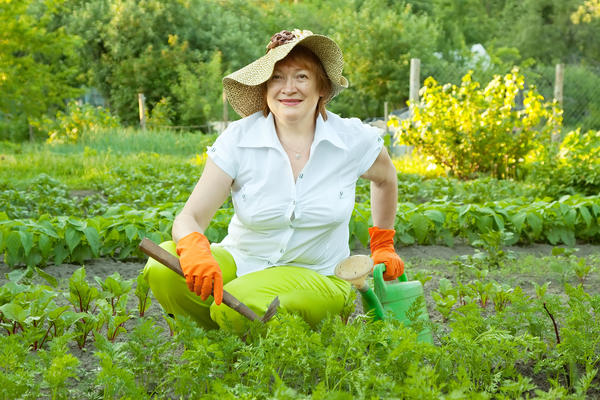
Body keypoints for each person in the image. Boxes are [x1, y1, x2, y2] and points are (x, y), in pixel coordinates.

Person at [143, 29, 404, 333]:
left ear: (322, 86)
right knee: (164, 269)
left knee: (245, 300)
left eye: (302, 77)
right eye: (277, 77)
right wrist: (193, 247)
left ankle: (241, 330)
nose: (288, 88)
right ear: (265, 87)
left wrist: (383, 243)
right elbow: (190, 217)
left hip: (319, 276)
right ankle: (220, 342)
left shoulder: (352, 140)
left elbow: (386, 179)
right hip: (243, 260)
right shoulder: (239, 139)